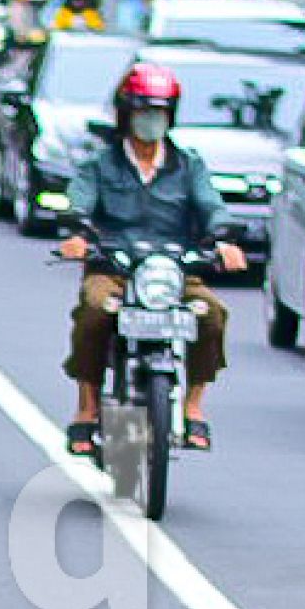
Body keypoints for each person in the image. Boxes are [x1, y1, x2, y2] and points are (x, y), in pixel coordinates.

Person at [59, 63, 246, 456]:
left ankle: (194, 406)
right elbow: (79, 202)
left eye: (158, 113)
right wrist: (77, 235)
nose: (150, 121)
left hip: (173, 273)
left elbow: (212, 206)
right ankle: (86, 409)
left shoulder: (188, 164)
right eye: (143, 112)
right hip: (114, 270)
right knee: (94, 312)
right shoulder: (99, 164)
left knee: (211, 314)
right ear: (126, 115)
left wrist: (225, 239)